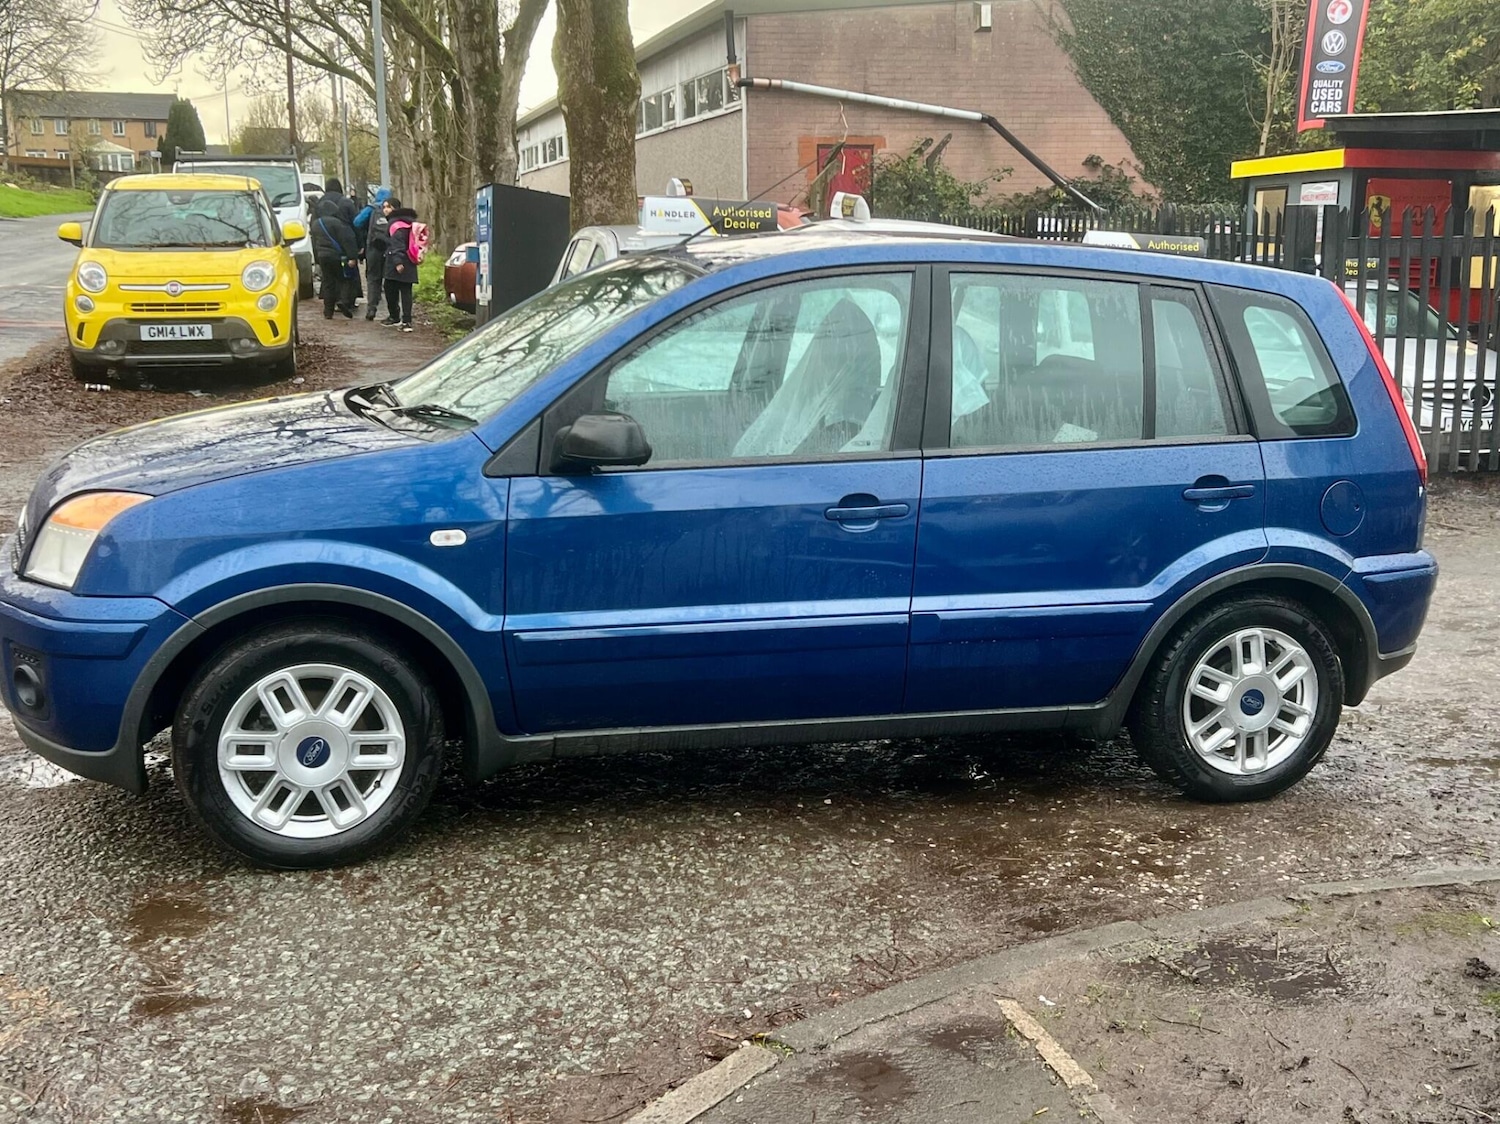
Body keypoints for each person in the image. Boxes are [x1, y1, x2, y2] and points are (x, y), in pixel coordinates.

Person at [309, 190, 359, 319]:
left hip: (322, 256)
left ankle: (328, 311)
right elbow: (346, 240)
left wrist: (317, 259)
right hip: (336, 256)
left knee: (328, 282)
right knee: (343, 279)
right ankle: (342, 301)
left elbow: (314, 243)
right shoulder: (338, 223)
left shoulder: (316, 224)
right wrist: (352, 256)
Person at [382, 198, 419, 332]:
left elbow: (397, 243)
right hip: (410, 259)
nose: (385, 210)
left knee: (389, 287)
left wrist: (397, 261)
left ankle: (395, 317)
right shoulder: (410, 221)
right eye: (384, 207)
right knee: (406, 291)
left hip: (396, 260)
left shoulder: (395, 224)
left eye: (388, 207)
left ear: (394, 208)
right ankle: (407, 320)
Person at [356, 186, 392, 322]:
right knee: (390, 280)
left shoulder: (371, 209)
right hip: (390, 248)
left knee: (373, 278)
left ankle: (371, 308)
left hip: (374, 248)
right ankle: (393, 312)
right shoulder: (393, 208)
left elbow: (357, 222)